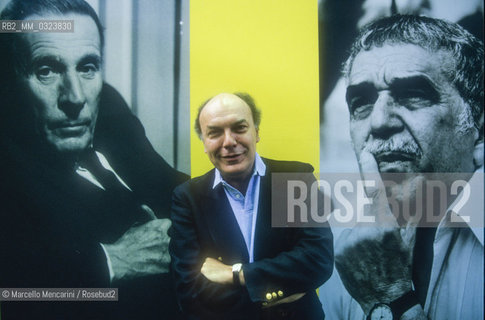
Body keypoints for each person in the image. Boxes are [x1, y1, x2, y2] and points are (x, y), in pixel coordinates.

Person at [0, 0, 187, 318]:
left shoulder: (106, 105)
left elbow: (168, 184)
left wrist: (285, 189)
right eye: (45, 70)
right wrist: (112, 260)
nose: (74, 97)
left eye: (87, 67)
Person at [319, 15, 483, 319]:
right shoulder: (346, 250)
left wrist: (392, 299)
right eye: (362, 103)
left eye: (413, 95)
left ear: (479, 128)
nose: (379, 122)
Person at [169, 92, 333, 319]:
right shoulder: (188, 198)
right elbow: (190, 291)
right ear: (204, 143)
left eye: (239, 128)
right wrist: (275, 295)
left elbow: (317, 260)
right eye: (215, 133)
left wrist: (235, 274)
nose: (229, 142)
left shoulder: (295, 178)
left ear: (256, 132)